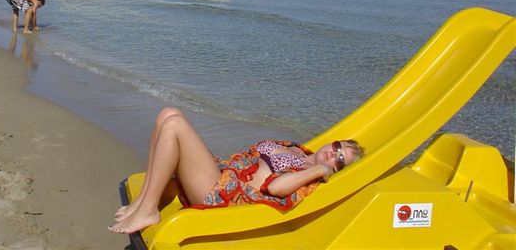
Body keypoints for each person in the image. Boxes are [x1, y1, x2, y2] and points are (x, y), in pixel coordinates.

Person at [109, 107, 363, 235]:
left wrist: (320, 169)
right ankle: (143, 201)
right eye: (338, 147)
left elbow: (276, 188)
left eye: (340, 161)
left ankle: (149, 210)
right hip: (221, 173)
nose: (334, 154)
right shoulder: (299, 149)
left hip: (224, 197)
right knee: (169, 113)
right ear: (333, 141)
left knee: (175, 124)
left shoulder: (311, 172)